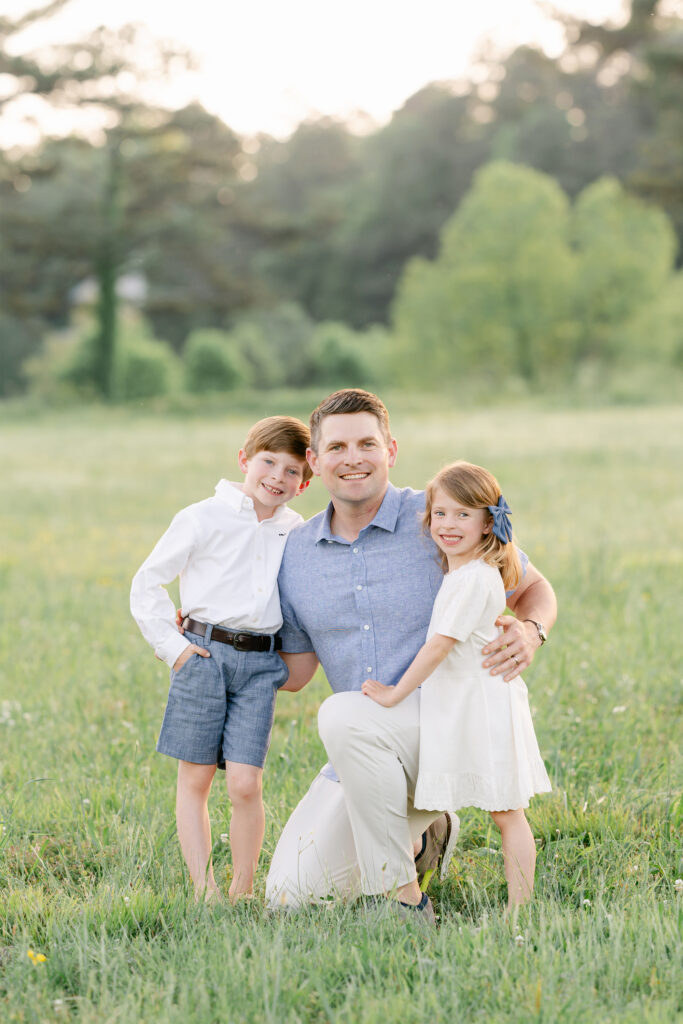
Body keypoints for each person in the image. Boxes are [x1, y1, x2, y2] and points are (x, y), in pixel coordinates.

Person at [266, 389, 557, 921]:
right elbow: (297, 672)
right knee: (290, 897)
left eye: (366, 443)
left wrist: (533, 631)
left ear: (391, 450)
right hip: (367, 758)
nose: (352, 458)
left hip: (448, 729)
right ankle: (426, 837)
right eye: (336, 447)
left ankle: (403, 897)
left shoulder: (439, 520)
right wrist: (215, 646)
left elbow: (532, 587)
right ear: (314, 460)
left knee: (342, 711)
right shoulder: (296, 557)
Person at [130, 416, 311, 902]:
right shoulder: (201, 516)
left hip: (259, 666)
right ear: (244, 460)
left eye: (292, 471)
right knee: (196, 777)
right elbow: (147, 583)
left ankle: (243, 889)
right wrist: (176, 649)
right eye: (268, 462)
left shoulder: (296, 531)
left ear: (305, 482)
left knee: (246, 783)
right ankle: (203, 888)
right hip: (203, 656)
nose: (277, 477)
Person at [362, 461, 552, 912]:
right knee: (435, 798)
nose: (449, 525)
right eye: (440, 514)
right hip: (461, 705)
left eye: (463, 515)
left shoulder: (473, 578)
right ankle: (407, 879)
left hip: (482, 707)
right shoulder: (461, 572)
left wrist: (393, 694)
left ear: (489, 522)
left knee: (506, 813)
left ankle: (517, 911)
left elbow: (437, 648)